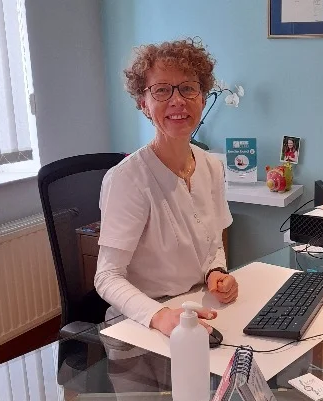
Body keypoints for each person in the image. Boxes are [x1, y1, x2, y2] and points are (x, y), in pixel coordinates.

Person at [94, 39, 238, 337]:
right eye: (162, 90)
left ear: (202, 98)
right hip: (141, 324)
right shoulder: (127, 179)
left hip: (197, 309)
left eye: (188, 88)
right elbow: (107, 277)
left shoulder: (212, 166)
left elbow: (214, 244)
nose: (178, 100)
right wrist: (159, 316)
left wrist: (216, 272)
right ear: (143, 104)